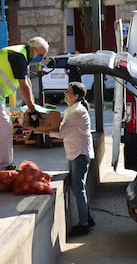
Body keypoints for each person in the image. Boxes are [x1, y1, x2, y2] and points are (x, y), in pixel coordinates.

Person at [0, 36, 49, 171]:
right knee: (4, 127)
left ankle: (4, 164)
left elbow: (28, 83)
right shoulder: (19, 56)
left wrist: (33, 107)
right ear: (33, 50)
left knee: (3, 128)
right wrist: (32, 110)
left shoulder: (22, 54)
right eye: (41, 55)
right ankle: (3, 166)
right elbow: (24, 85)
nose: (41, 58)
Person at [48, 82, 95, 236]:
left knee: (78, 189)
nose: (65, 93)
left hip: (80, 154)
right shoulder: (72, 109)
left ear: (76, 96)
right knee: (78, 188)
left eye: (68, 91)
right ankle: (87, 218)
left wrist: (44, 130)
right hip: (75, 152)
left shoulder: (77, 112)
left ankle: (84, 224)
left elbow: (62, 133)